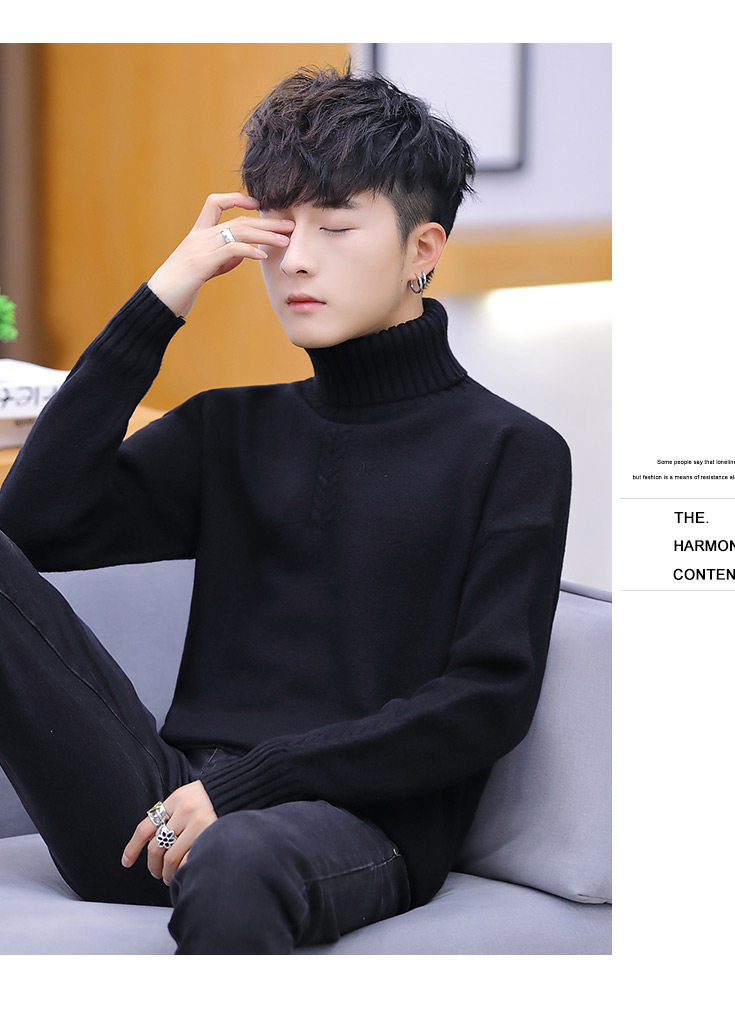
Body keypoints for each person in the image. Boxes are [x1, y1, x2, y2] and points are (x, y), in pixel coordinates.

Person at [0, 64, 571, 954]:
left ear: (422, 250)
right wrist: (166, 293)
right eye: (278, 228)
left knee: (237, 856)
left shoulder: (513, 452)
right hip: (163, 810)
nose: (296, 258)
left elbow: (485, 702)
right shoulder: (227, 429)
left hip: (353, 823)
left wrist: (246, 788)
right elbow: (30, 528)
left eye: (336, 228)